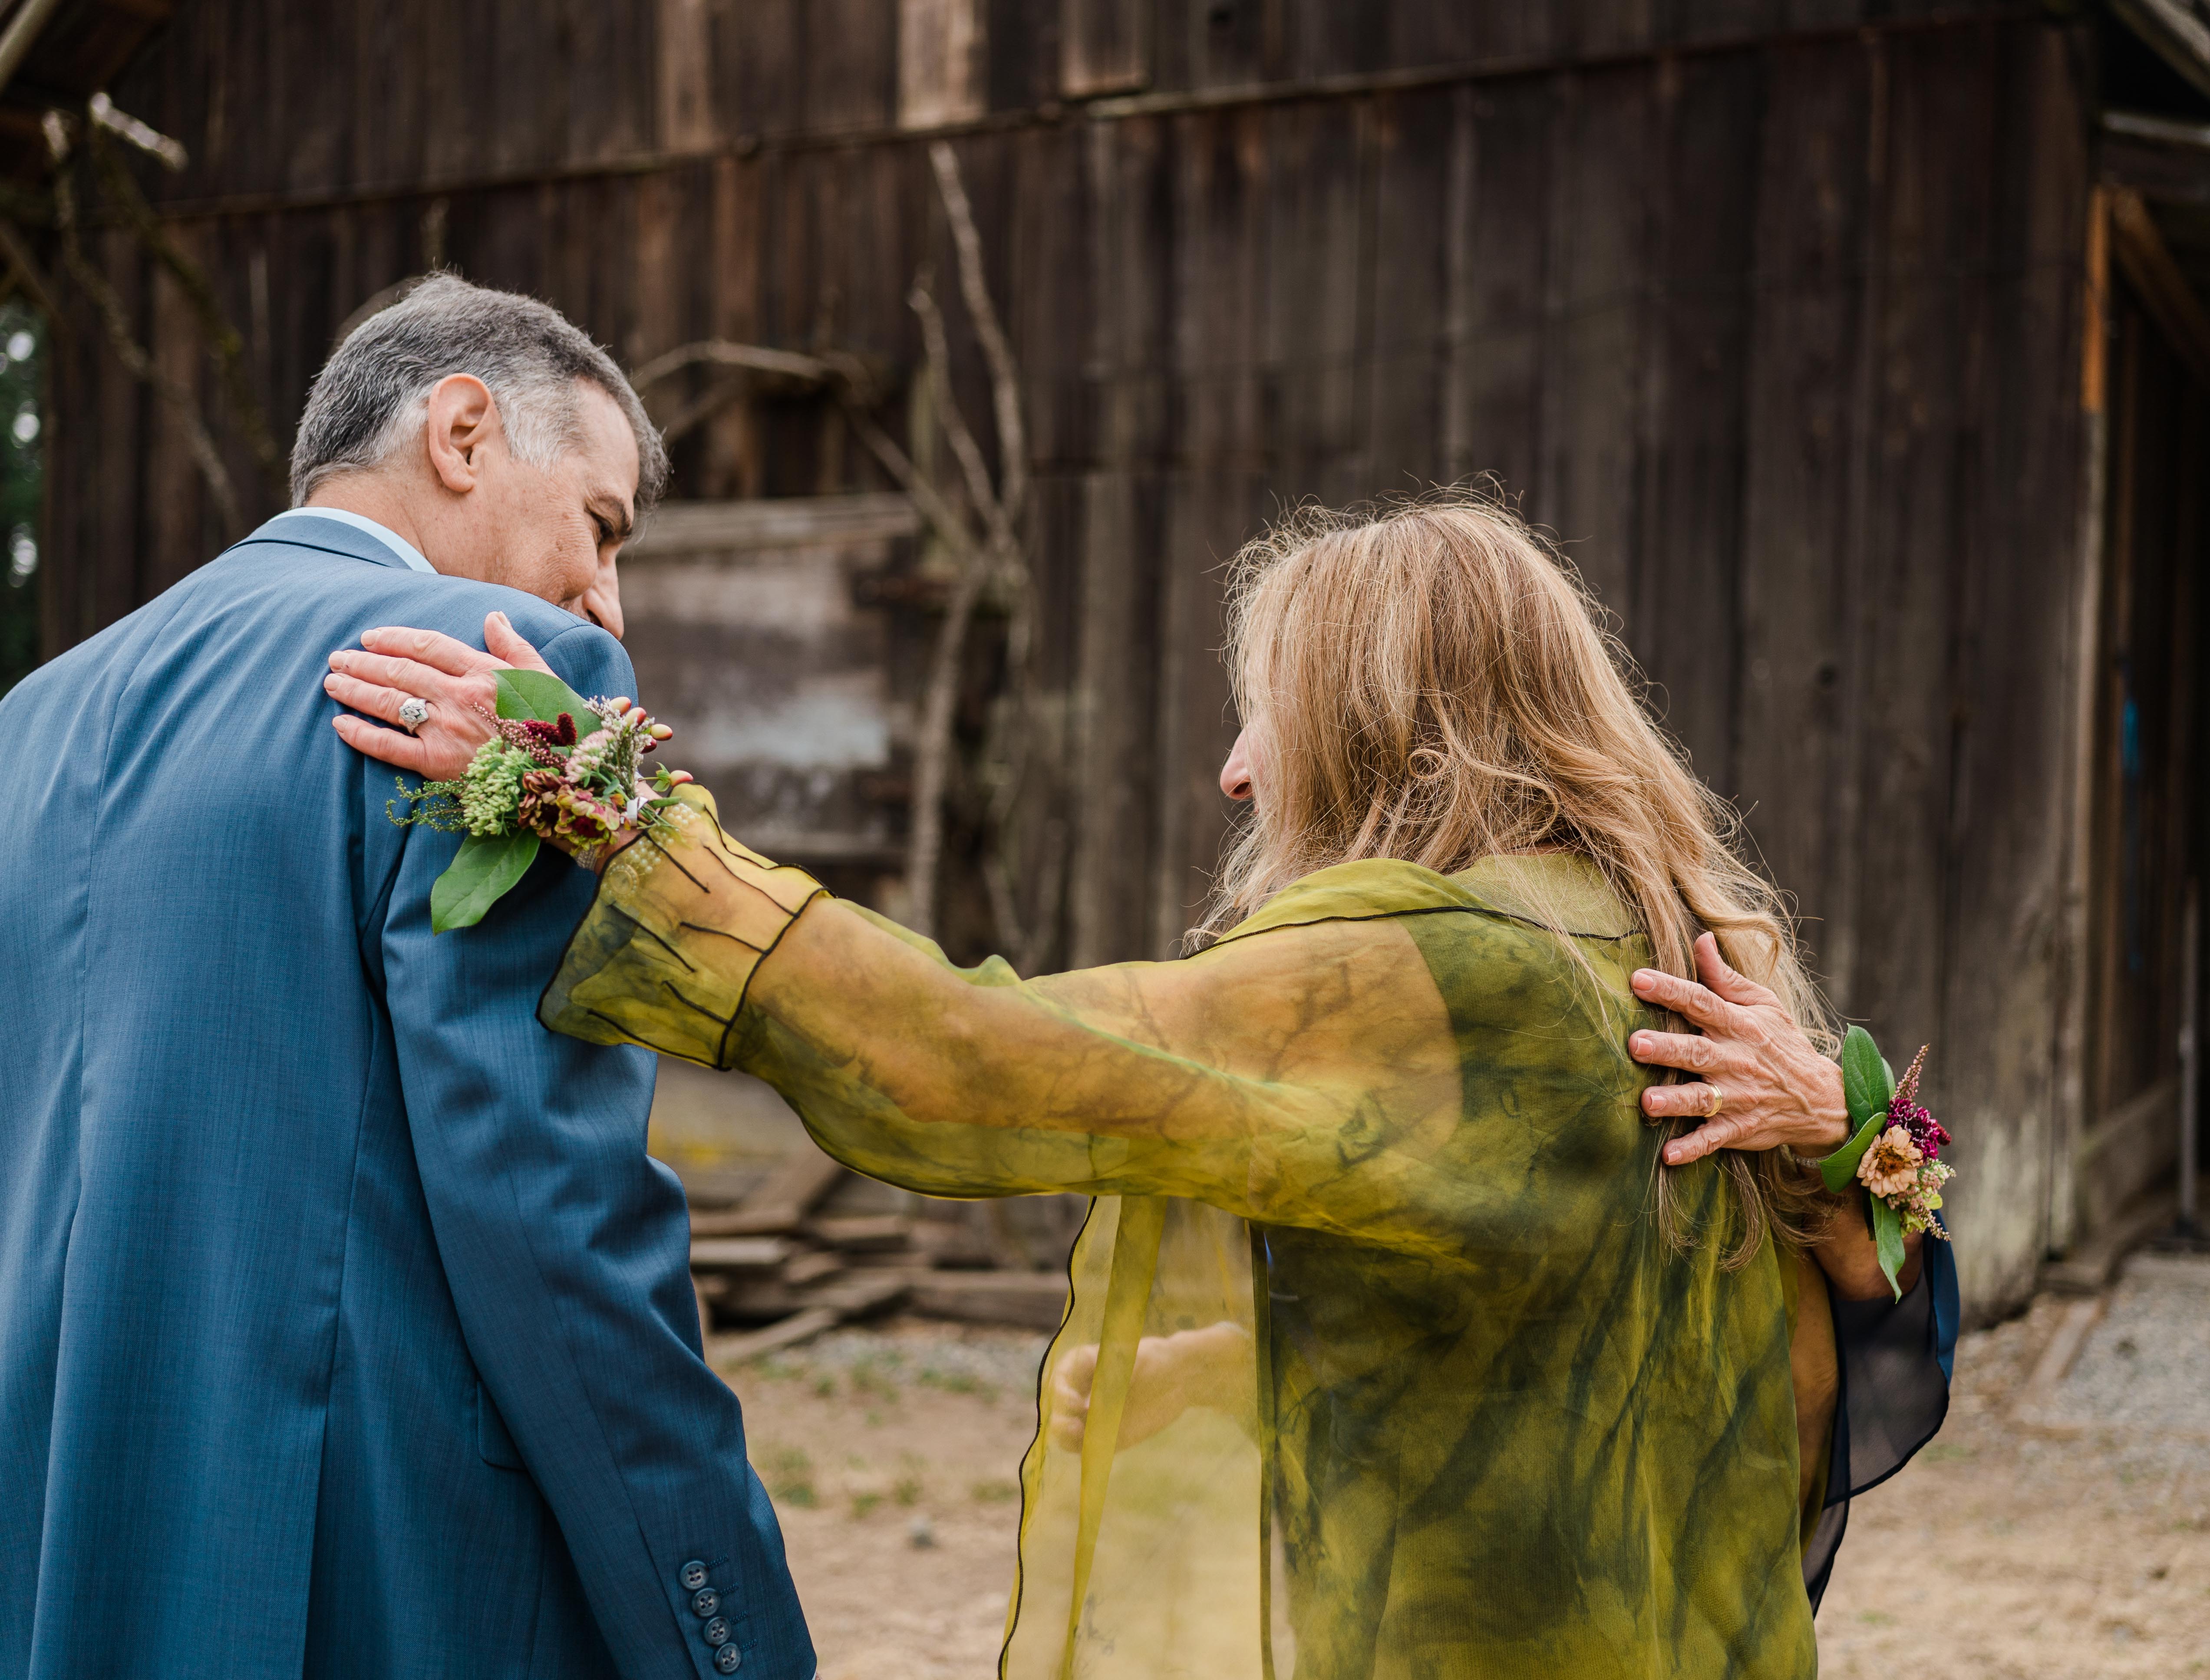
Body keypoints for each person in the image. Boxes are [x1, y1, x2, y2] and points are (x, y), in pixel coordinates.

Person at [335, 494, 1956, 1677]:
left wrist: (623, 821)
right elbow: (1655, 1344)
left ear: (1384, 729)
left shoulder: (1436, 973)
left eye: (1269, 716)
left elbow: (972, 1062)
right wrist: (1853, 1142)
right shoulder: (1655, 946)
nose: (1238, 772)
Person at [0, 276, 812, 1680]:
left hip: (57, 1543)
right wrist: (722, 1623)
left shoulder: (33, 719)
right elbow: (553, 1213)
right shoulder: (501, 689)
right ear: (462, 432)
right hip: (377, 1570)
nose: (605, 596)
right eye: (601, 524)